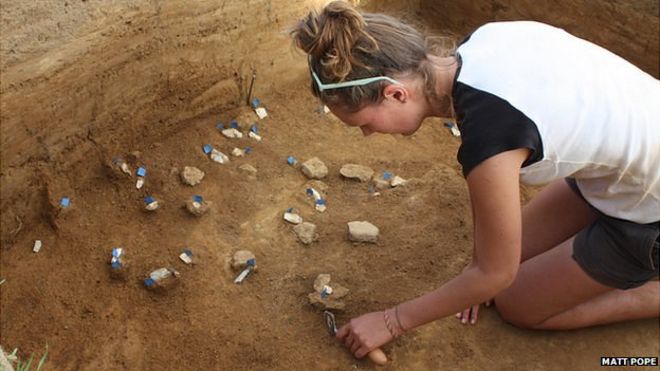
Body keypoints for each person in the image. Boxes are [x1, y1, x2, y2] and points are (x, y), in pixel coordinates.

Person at [291, 0, 660, 361]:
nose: (369, 135)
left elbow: (495, 273)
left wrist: (391, 321)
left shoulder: (491, 137)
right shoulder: (485, 40)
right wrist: (478, 278)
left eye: (365, 124)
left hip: (649, 213)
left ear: (395, 93)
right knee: (500, 261)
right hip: (623, 174)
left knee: (516, 302)